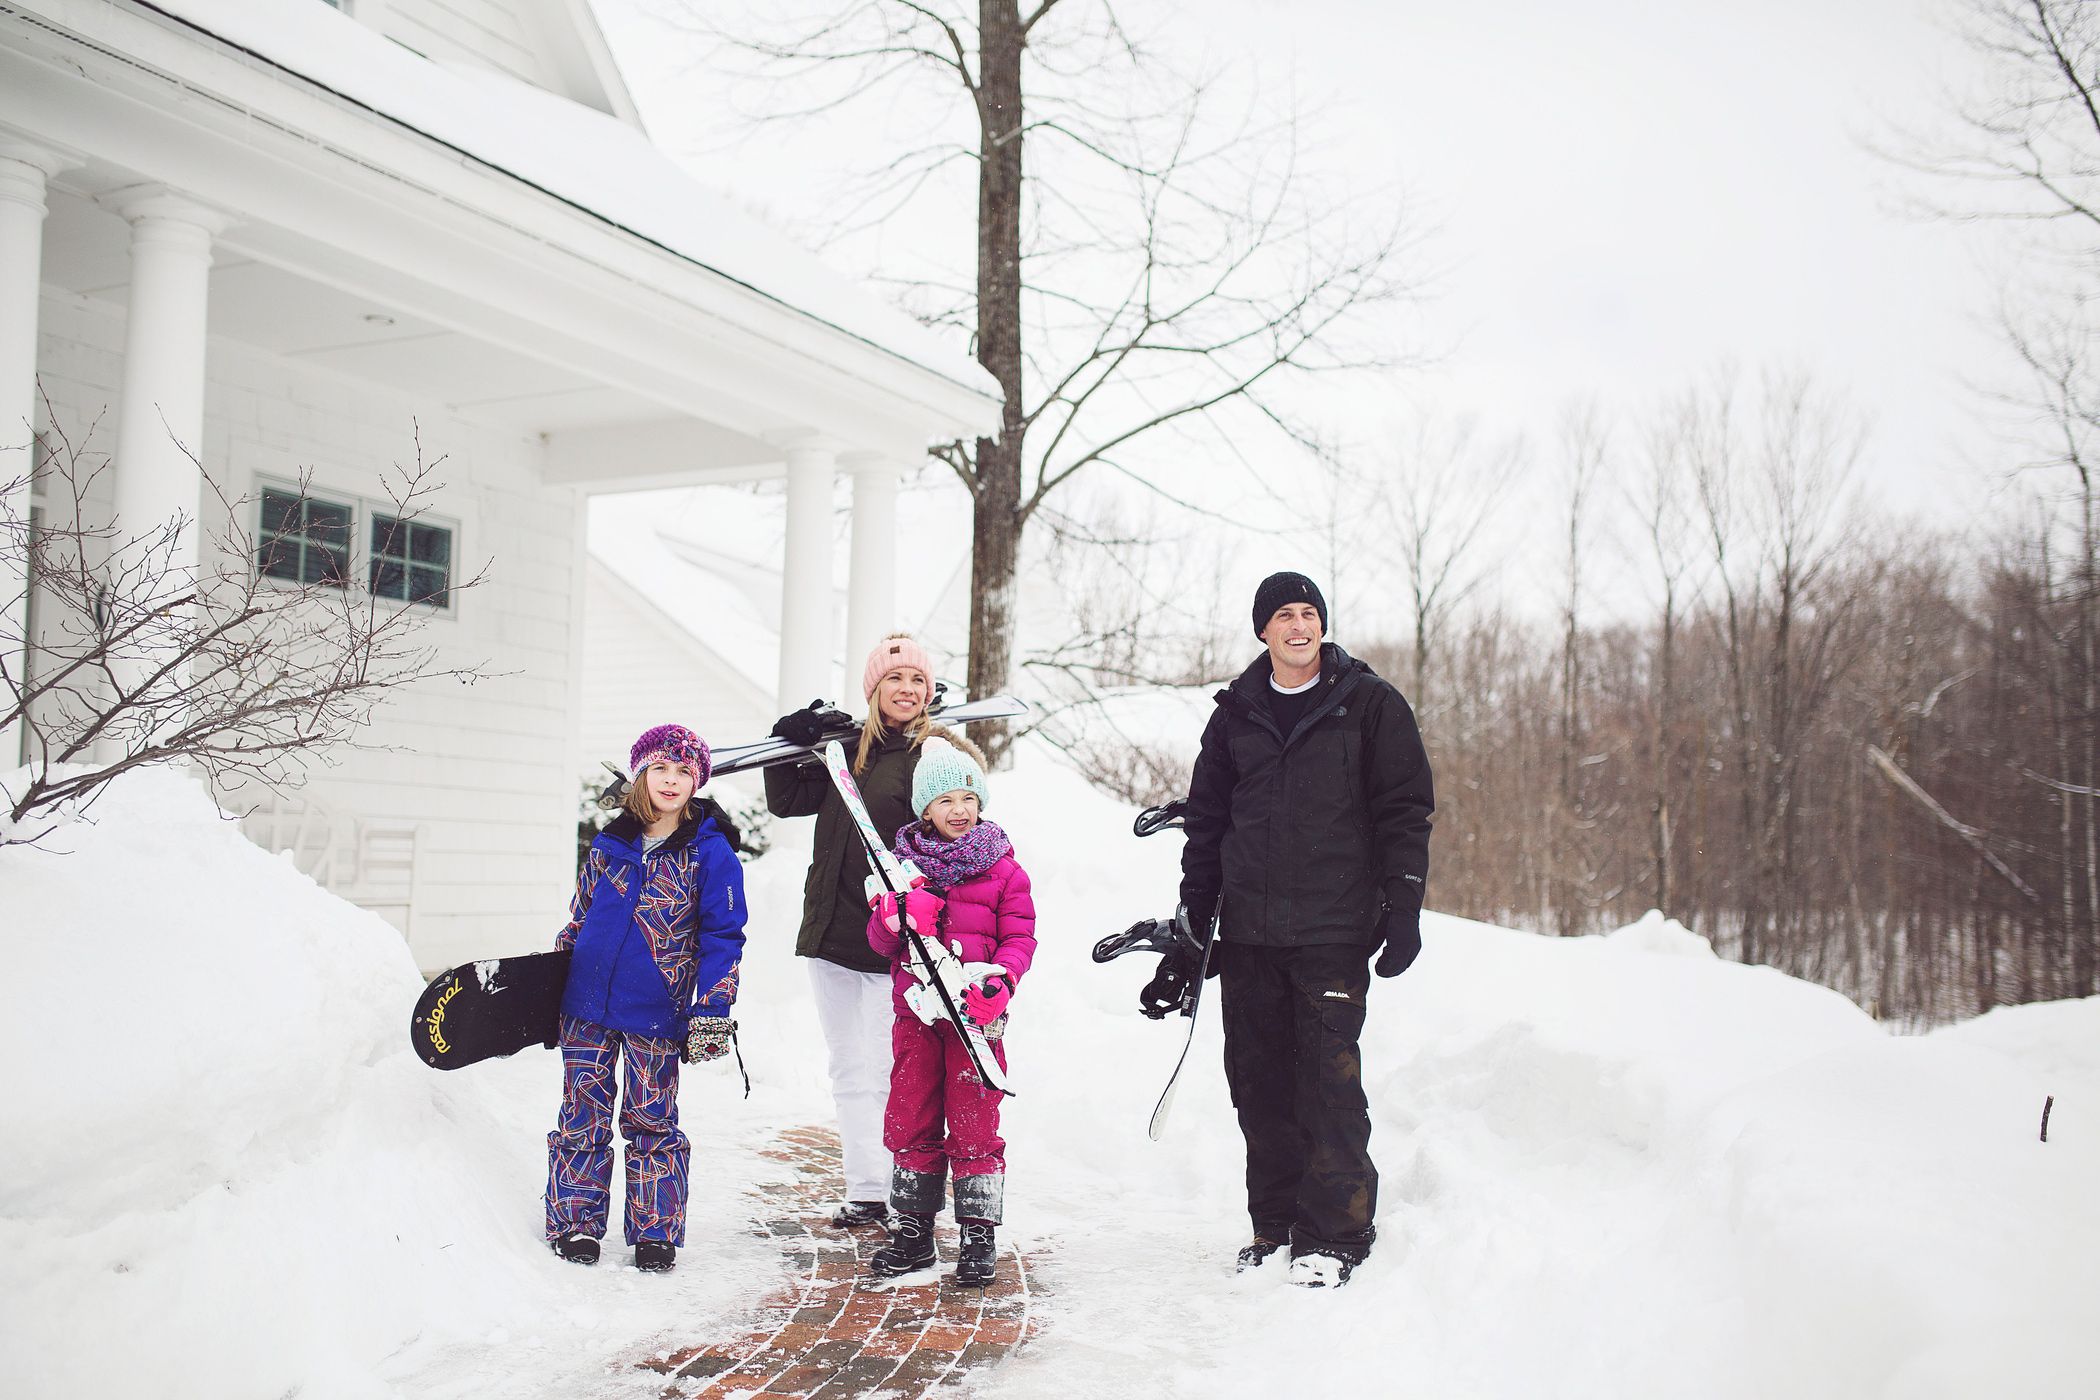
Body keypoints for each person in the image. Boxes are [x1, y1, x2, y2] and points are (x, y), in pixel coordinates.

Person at [1168, 571, 1433, 1289]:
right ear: (1263, 630)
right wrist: (1197, 915)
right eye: (1283, 614)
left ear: (1322, 625)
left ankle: (1336, 1233)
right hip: (1251, 933)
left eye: (1309, 613)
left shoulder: (1369, 705)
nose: (1298, 625)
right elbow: (1208, 823)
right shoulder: (1236, 714)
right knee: (1259, 1086)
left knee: (1328, 1083)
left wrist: (1403, 906)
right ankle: (1275, 1226)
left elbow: (1404, 811)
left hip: (1332, 929)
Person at [764, 632, 959, 1230]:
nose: (907, 689)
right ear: (873, 688)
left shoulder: (934, 754)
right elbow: (787, 800)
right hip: (830, 928)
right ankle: (866, 1188)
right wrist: (787, 741)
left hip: (892, 936)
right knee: (848, 1066)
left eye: (918, 680)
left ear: (930, 691)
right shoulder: (843, 751)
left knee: (886, 1067)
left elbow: (955, 831)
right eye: (894, 679)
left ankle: (905, 1184)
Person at [545, 723, 746, 1273]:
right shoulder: (610, 842)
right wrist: (548, 986)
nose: (672, 779)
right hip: (585, 1004)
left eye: (685, 771)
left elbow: (724, 938)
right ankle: (575, 1223)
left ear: (698, 782)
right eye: (661, 767)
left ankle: (655, 1231)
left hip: (656, 1010)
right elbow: (580, 918)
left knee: (651, 1119)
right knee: (581, 1116)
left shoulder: (710, 853)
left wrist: (713, 1009)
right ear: (642, 773)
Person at [862, 735, 1035, 1287]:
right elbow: (882, 942)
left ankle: (978, 1234)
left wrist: (1002, 981)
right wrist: (895, 919)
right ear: (925, 810)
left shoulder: (1006, 871)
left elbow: (1020, 937)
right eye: (945, 801)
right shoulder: (901, 871)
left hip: (977, 1018)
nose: (959, 810)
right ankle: (913, 1232)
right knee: (911, 1116)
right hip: (917, 1017)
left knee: (974, 1122)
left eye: (968, 798)